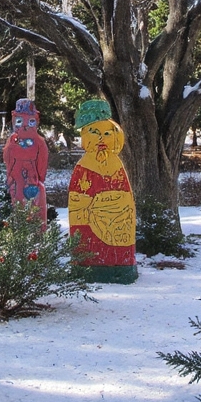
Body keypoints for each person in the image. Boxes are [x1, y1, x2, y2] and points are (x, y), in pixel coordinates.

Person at [67, 99, 137, 283]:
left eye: (106, 133)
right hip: (89, 220)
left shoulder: (116, 164)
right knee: (86, 242)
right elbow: (76, 199)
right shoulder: (83, 166)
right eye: (95, 132)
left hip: (117, 220)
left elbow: (125, 194)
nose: (101, 138)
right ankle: (87, 264)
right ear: (85, 135)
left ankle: (120, 265)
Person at [3, 98, 49, 228]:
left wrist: (37, 179)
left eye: (31, 121)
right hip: (16, 182)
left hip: (33, 181)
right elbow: (8, 159)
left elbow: (42, 164)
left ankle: (36, 239)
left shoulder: (39, 142)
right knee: (18, 208)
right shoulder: (12, 140)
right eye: (19, 121)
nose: (24, 125)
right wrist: (11, 178)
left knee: (35, 210)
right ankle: (21, 237)